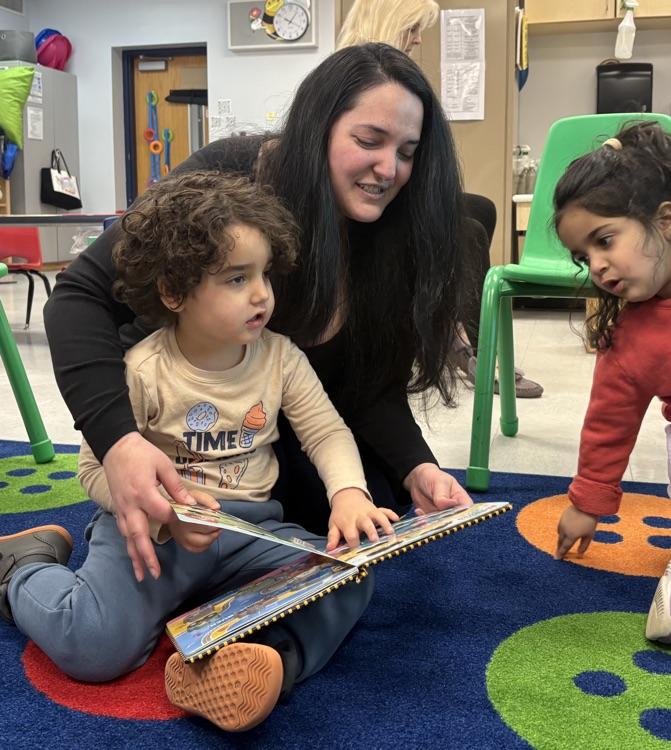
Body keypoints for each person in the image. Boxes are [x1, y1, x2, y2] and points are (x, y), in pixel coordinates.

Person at [42, 44, 473, 583]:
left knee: (364, 516)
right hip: (183, 430)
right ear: (317, 131)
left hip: (273, 425)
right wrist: (121, 444)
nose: (389, 168)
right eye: (368, 140)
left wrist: (418, 468)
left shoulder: (389, 229)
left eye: (408, 151)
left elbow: (367, 382)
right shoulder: (227, 182)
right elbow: (79, 295)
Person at [0, 170, 400, 732]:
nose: (262, 294)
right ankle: (21, 570)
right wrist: (166, 515)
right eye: (237, 279)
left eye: (264, 274)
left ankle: (255, 665)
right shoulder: (142, 368)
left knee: (347, 578)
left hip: (250, 534)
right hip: (155, 539)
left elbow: (327, 432)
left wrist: (349, 494)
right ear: (174, 292)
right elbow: (95, 469)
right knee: (93, 647)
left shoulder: (281, 358)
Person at [552, 121, 671, 644]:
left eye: (605, 240)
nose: (596, 265)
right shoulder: (630, 336)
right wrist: (587, 503)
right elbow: (609, 420)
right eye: (583, 256)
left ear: (665, 220)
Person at [337, 0, 544, 399]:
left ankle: (459, 329)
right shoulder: (351, 73)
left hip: (393, 195)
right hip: (361, 204)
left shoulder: (399, 78)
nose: (417, 38)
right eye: (412, 27)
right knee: (466, 230)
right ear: (388, 20)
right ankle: (470, 351)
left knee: (482, 207)